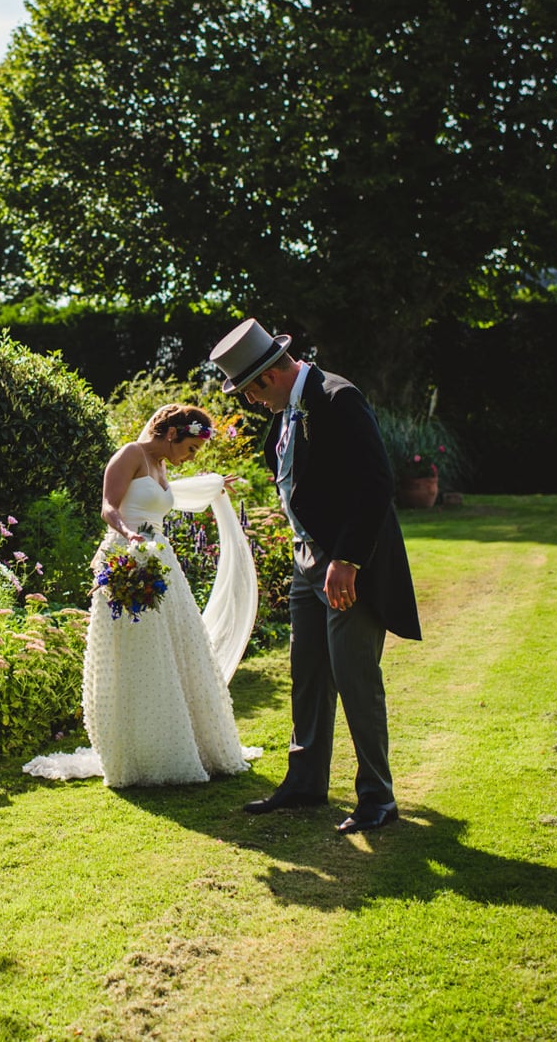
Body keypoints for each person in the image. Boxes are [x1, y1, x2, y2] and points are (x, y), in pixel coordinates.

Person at [209, 320, 421, 833]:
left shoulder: (336, 397)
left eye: (248, 392)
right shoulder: (286, 411)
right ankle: (305, 783)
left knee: (355, 678)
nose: (250, 403)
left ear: (267, 378)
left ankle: (378, 797)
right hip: (309, 562)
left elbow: (375, 483)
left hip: (347, 564)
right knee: (308, 677)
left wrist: (347, 561)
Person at [23, 404, 262, 787]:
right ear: (172, 434)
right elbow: (109, 507)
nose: (190, 456)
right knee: (137, 653)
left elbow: (165, 499)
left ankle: (187, 743)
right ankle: (141, 752)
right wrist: (129, 535)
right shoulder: (129, 455)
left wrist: (213, 485)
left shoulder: (162, 466)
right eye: (191, 447)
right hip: (126, 559)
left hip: (161, 561)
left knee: (176, 649)